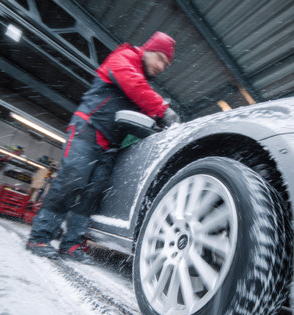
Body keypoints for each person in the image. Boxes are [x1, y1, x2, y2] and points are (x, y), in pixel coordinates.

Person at [26, 31, 180, 263]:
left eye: (166, 65)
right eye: (159, 58)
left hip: (110, 144)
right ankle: (40, 236)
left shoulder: (143, 81)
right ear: (148, 50)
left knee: (92, 194)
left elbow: (145, 105)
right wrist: (163, 109)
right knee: (71, 181)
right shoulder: (124, 58)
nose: (161, 66)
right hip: (87, 128)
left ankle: (72, 244)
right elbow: (134, 86)